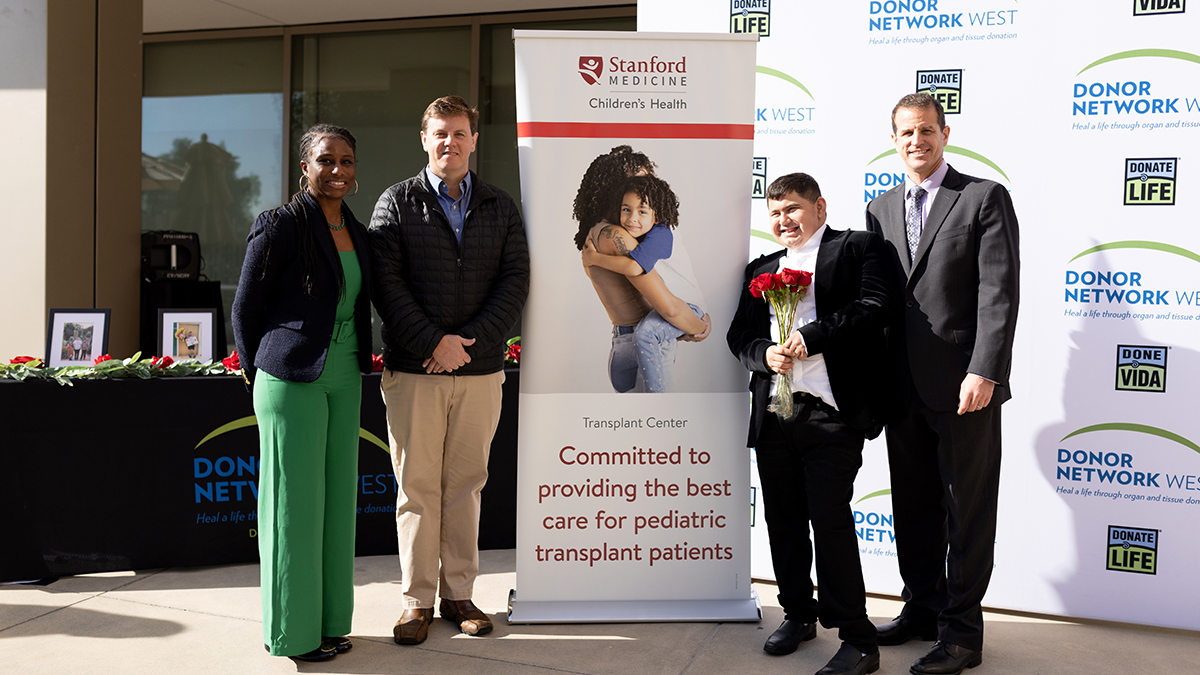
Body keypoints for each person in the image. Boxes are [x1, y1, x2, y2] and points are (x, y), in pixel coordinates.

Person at [865, 93, 1019, 675]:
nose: (916, 142)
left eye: (926, 130)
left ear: (945, 132)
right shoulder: (880, 208)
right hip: (902, 389)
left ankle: (962, 634)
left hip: (964, 385)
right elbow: (877, 299)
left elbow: (998, 292)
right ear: (894, 139)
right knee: (913, 507)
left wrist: (985, 368)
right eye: (905, 133)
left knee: (967, 509)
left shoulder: (981, 197)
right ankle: (922, 610)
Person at [368, 95, 529, 645]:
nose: (450, 143)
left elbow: (515, 281)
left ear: (474, 140)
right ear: (424, 138)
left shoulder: (500, 206)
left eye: (459, 133)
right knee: (417, 488)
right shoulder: (395, 202)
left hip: (480, 371)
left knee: (465, 486)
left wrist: (469, 344)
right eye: (440, 133)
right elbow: (385, 285)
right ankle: (416, 602)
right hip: (416, 370)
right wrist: (435, 341)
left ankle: (458, 594)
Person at [728, 173, 900, 675]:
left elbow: (876, 307)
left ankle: (858, 639)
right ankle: (799, 615)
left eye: (794, 209)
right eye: (776, 212)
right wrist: (765, 355)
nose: (784, 221)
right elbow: (741, 335)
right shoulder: (760, 269)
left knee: (829, 521)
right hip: (777, 414)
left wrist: (812, 335)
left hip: (832, 415)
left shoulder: (857, 249)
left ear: (819, 207)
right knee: (783, 522)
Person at [231, 123, 373, 663]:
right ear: (304, 168)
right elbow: (245, 308)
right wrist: (255, 370)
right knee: (293, 506)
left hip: (344, 369)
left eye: (347, 161)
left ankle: (333, 622)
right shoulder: (280, 224)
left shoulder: (357, 230)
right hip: (290, 376)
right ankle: (292, 632)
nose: (337, 170)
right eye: (326, 160)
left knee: (338, 503)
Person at [571, 146, 710, 392]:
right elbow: (668, 306)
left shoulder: (599, 232)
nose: (645, 192)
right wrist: (699, 327)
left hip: (623, 341)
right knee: (656, 420)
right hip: (646, 338)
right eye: (637, 185)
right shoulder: (618, 236)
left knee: (633, 423)